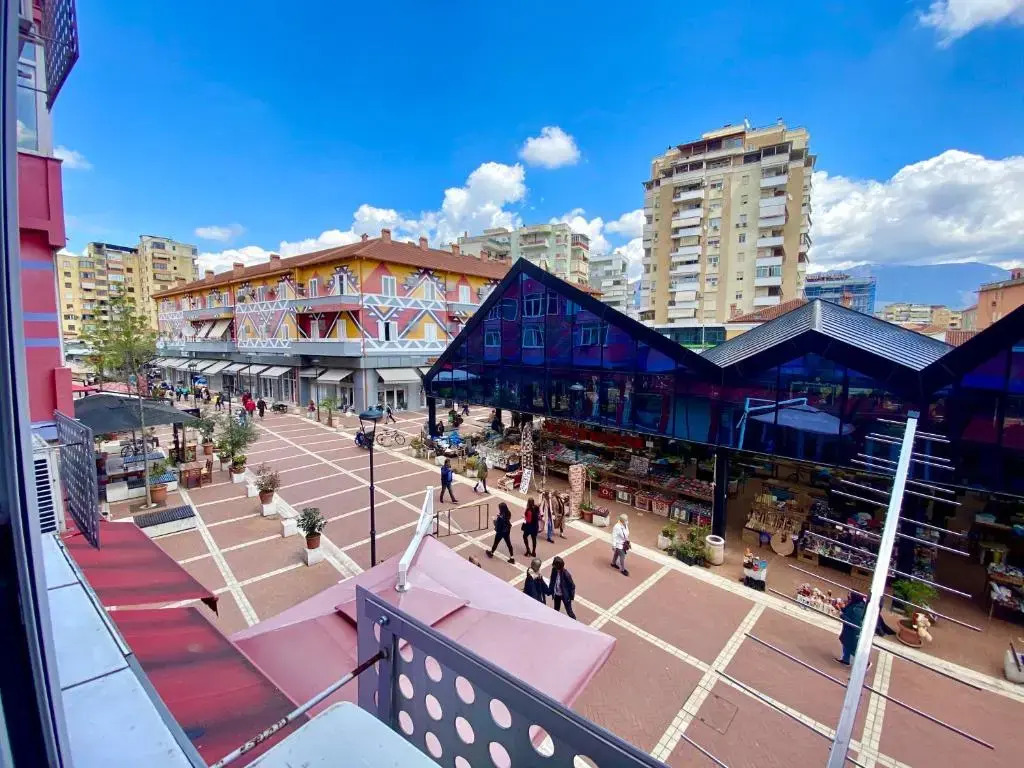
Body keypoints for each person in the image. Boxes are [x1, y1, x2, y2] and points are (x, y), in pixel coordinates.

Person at [836, 592, 870, 667]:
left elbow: (854, 622)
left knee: (853, 648)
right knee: (845, 643)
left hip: (852, 632)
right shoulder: (853, 604)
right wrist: (840, 608)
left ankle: (866, 663)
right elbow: (847, 611)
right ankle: (845, 660)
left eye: (850, 595)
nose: (848, 597)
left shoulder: (858, 608)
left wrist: (842, 616)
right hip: (847, 629)